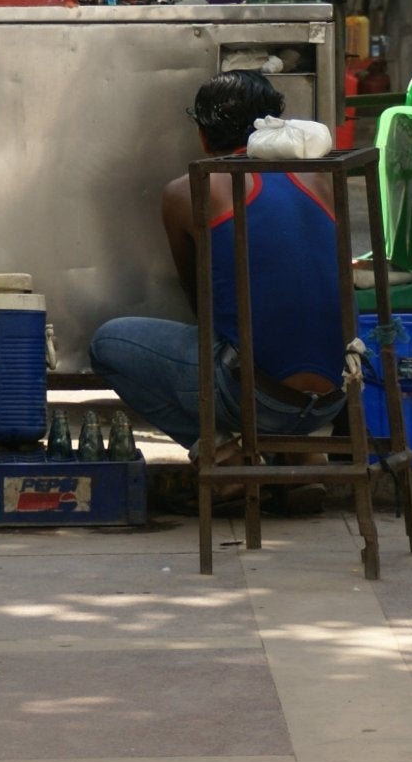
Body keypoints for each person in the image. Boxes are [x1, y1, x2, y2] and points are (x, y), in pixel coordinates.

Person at [89, 71, 346, 507]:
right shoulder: (319, 178)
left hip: (257, 398)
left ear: (203, 135)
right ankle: (299, 453)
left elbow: (201, 302)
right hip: (334, 398)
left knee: (108, 343)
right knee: (274, 336)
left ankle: (227, 463)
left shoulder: (189, 190)